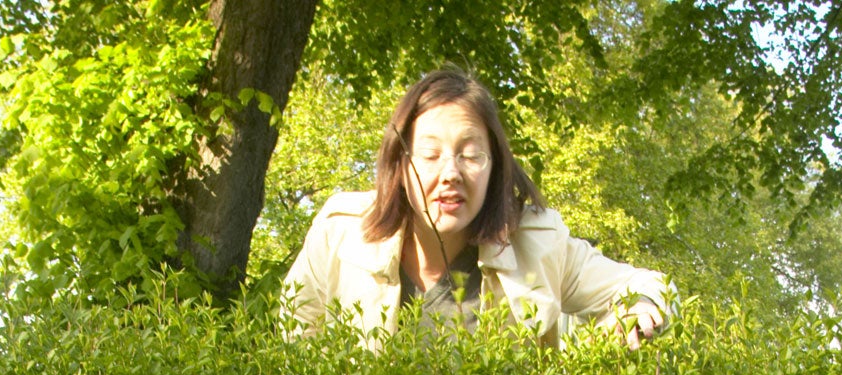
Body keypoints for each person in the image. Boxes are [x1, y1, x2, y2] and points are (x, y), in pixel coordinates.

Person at [280, 68, 673, 348]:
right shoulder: (339, 236)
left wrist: (641, 307)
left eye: (471, 155)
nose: (451, 173)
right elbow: (292, 354)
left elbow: (644, 286)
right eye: (431, 155)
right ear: (401, 165)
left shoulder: (539, 244)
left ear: (494, 167)